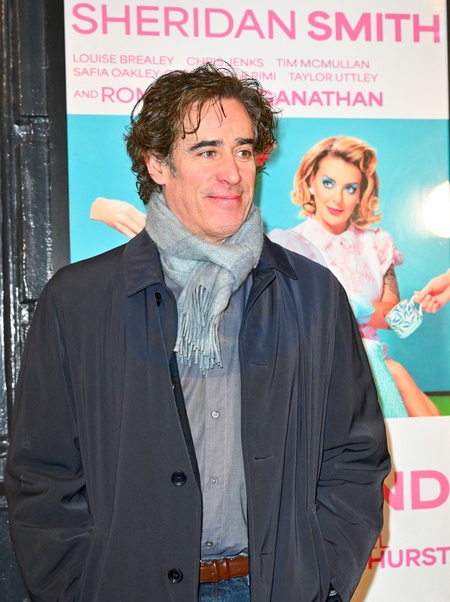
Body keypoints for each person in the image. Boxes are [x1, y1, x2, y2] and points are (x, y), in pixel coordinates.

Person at [5, 64, 390, 602]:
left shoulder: (313, 294)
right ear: (158, 163)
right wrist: (76, 588)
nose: (232, 173)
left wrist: (321, 579)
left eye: (243, 150)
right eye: (207, 151)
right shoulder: (78, 301)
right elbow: (43, 474)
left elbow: (354, 455)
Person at [269, 135, 440, 418]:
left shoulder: (378, 243)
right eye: (328, 183)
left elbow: (394, 318)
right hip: (314, 369)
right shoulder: (287, 245)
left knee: (417, 403)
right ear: (310, 181)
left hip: (375, 361)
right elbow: (285, 322)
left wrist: (417, 305)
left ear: (361, 193)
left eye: (350, 188)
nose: (337, 199)